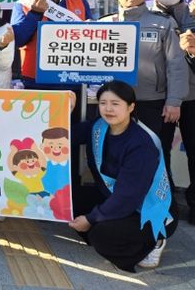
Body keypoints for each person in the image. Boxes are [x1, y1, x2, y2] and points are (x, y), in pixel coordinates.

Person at [70, 81, 177, 271]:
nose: (108, 109)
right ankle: (109, 225)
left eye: (115, 103)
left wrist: (91, 219)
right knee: (69, 196)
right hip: (117, 196)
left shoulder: (141, 144)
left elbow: (128, 196)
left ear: (131, 107)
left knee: (100, 235)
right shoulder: (100, 126)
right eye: (103, 103)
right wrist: (65, 111)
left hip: (150, 210)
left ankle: (153, 242)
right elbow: (66, 136)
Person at [11, 0, 92, 188]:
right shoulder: (24, 3)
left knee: (68, 142)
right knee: (38, 142)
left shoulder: (79, 3)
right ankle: (38, 189)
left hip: (71, 84)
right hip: (36, 83)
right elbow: (18, 38)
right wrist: (36, 13)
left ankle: (70, 192)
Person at [100, 0, 188, 148]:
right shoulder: (103, 24)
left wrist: (174, 102)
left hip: (152, 103)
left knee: (156, 152)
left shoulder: (163, 23)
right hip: (113, 102)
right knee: (115, 152)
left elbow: (176, 65)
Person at [147, 0, 195, 222]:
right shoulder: (146, 18)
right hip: (160, 97)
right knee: (159, 150)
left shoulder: (193, 16)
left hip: (192, 96)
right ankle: (166, 203)